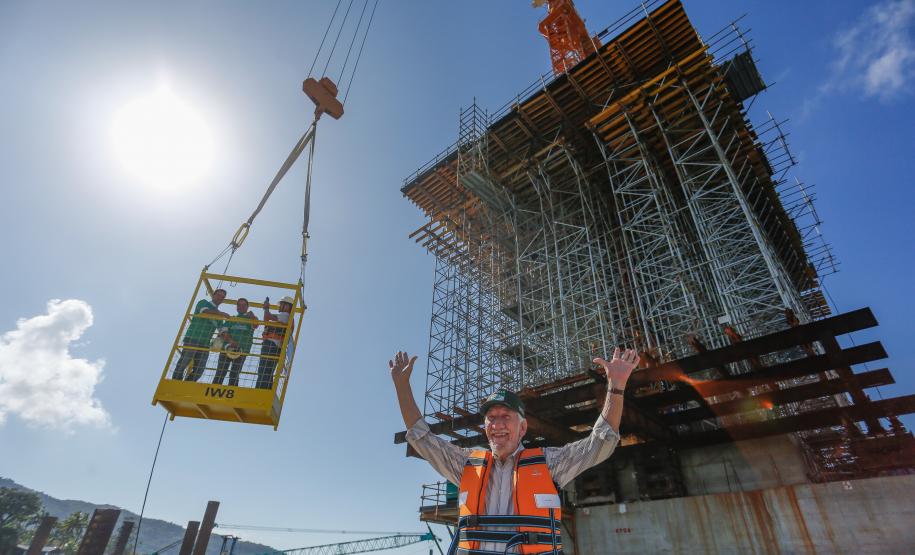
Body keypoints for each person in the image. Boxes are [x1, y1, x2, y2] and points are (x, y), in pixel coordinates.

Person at [389, 347, 640, 554]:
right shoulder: (465, 465)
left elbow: (600, 443)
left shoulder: (549, 463)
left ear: (522, 428)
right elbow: (422, 438)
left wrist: (616, 387)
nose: (497, 424)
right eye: (491, 418)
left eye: (505, 416)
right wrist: (402, 387)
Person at [172, 289, 230, 382]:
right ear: (213, 295)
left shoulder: (220, 317)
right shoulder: (203, 302)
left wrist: (228, 331)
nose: (220, 298)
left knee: (200, 369)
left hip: (205, 344)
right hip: (193, 338)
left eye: (222, 297)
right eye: (219, 295)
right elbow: (205, 311)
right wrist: (221, 314)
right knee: (184, 361)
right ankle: (176, 381)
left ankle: (187, 384)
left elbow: (222, 331)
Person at [213, 297, 259, 387]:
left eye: (244, 305)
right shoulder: (231, 319)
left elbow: (255, 325)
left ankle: (232, 393)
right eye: (239, 305)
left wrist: (252, 316)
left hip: (242, 351)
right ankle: (212, 394)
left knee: (234, 374)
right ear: (236, 307)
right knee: (220, 373)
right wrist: (231, 341)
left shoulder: (251, 319)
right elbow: (223, 331)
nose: (241, 307)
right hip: (226, 349)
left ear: (247, 307)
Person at [256, 296, 294, 390]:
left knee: (264, 370)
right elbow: (267, 320)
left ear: (287, 306)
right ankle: (266, 391)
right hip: (275, 346)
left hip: (271, 345)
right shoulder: (287, 317)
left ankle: (260, 390)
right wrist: (266, 309)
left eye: (281, 304)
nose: (279, 306)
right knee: (267, 371)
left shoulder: (285, 315)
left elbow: (267, 317)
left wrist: (266, 308)